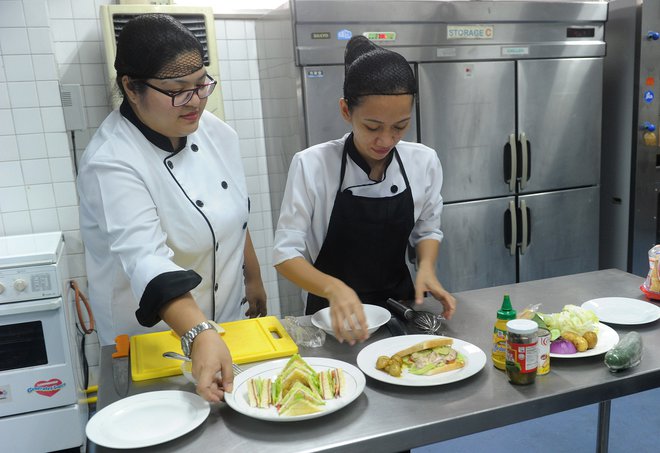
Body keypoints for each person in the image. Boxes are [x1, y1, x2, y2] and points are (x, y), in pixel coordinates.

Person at [77, 14, 267, 403]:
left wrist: (253, 275)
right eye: (179, 90)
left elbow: (232, 210)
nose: (195, 100)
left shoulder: (216, 132)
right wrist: (199, 333)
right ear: (132, 88)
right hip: (150, 344)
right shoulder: (112, 160)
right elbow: (148, 260)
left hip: (222, 329)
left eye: (202, 84)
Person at [273, 36, 456, 344]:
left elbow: (427, 230)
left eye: (400, 126)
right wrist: (335, 288)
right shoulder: (312, 165)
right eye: (373, 127)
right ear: (346, 111)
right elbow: (285, 254)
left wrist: (426, 267)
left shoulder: (423, 161)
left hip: (402, 309)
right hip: (333, 318)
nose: (386, 139)